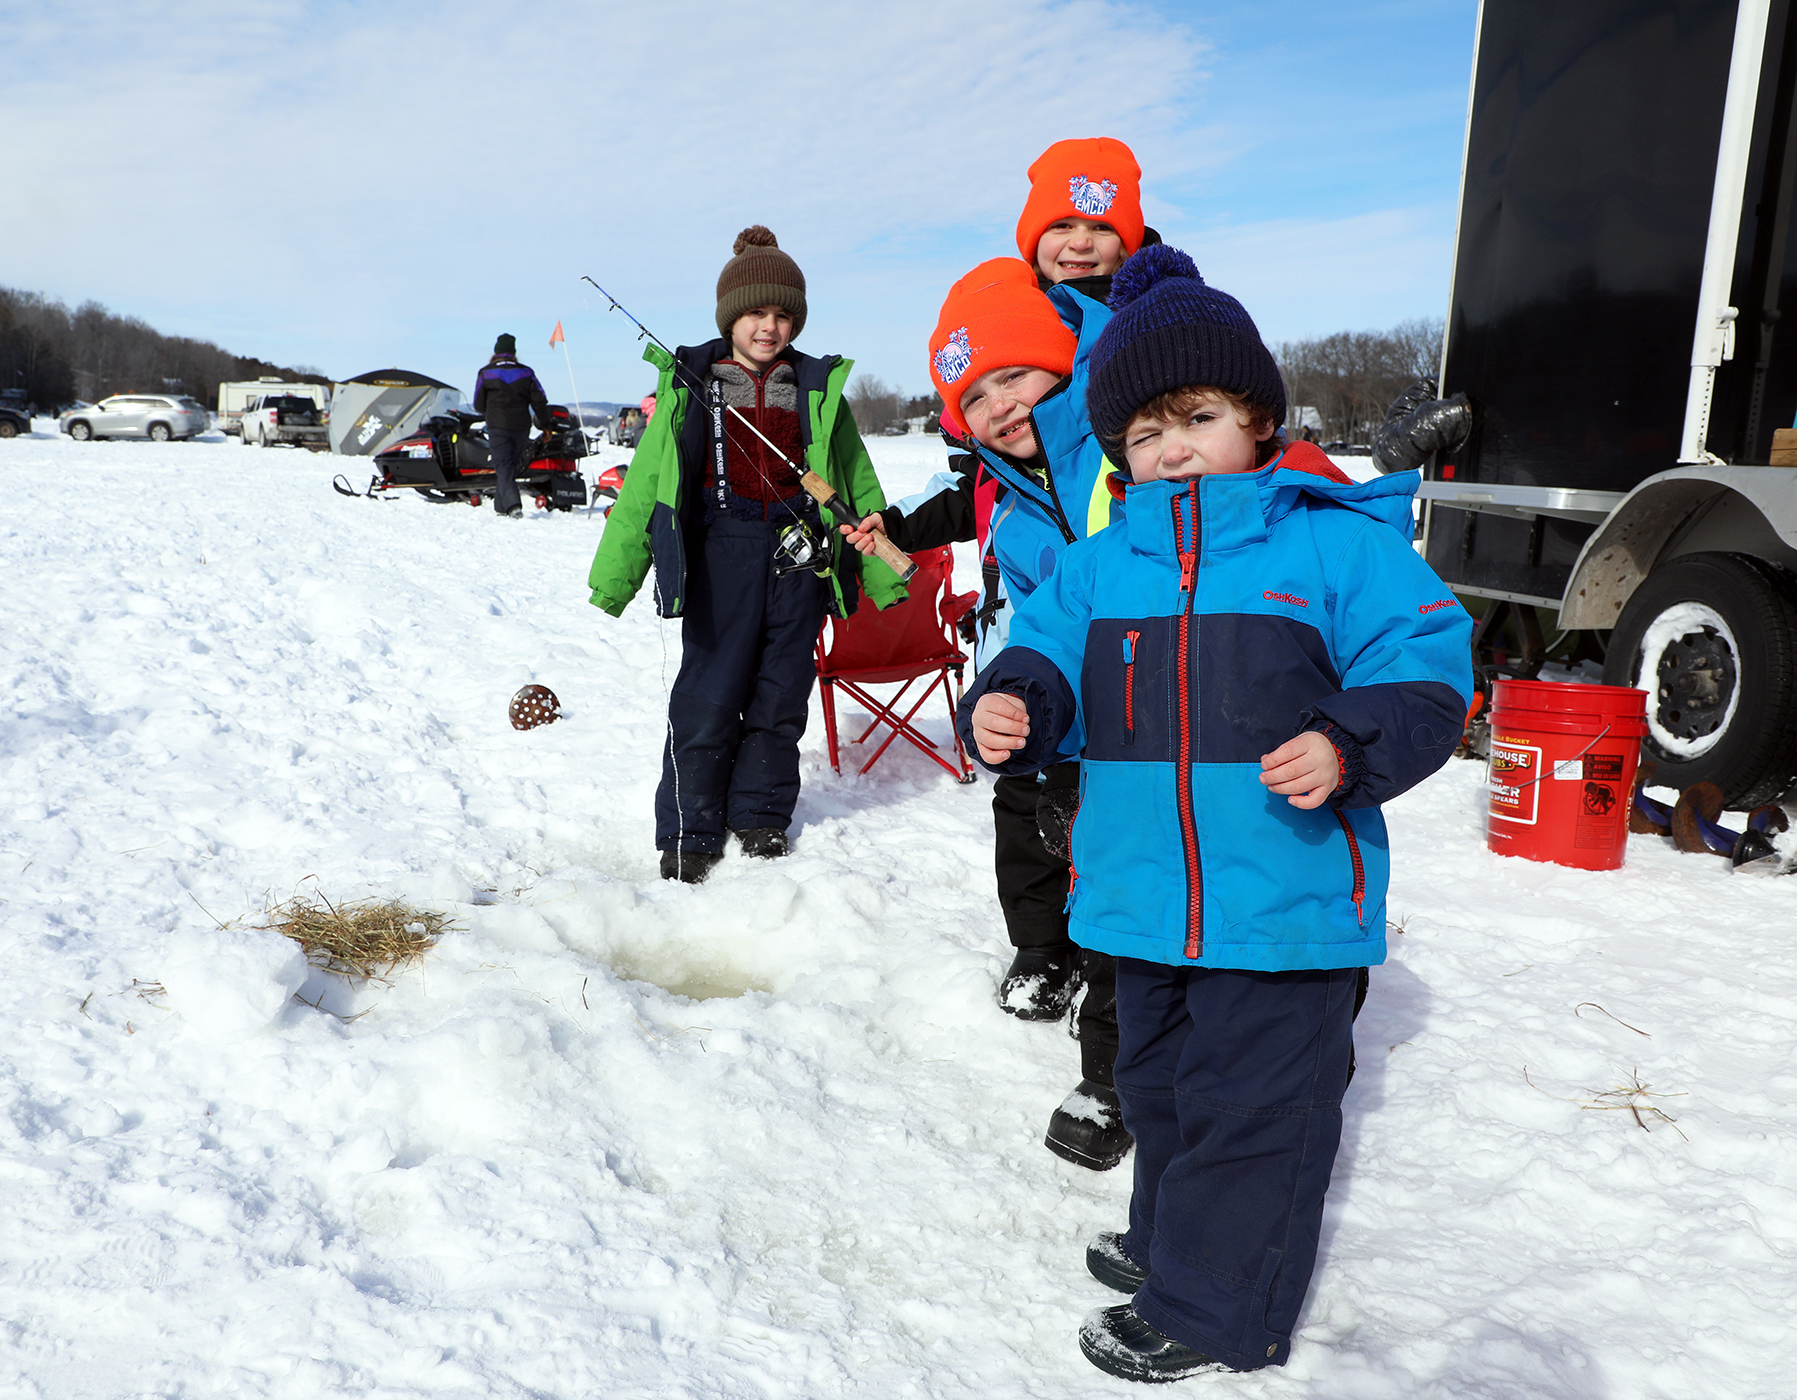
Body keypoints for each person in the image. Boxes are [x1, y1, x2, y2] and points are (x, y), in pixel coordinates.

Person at [955, 245, 1473, 1382]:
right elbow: (1040, 655)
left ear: (1258, 417)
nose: (1171, 445)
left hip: (1283, 906)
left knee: (1256, 1111)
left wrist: (1348, 741)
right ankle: (1168, 1243)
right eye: (1142, 434)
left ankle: (1215, 1308)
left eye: (1196, 414)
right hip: (1141, 903)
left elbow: (1429, 666)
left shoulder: (1332, 543)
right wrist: (1013, 703)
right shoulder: (1097, 567)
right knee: (1160, 1087)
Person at [839, 138, 1149, 1173]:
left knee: (1125, 862)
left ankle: (1113, 1071)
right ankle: (1041, 951)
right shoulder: (1001, 473)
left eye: (1020, 376)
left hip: (1156, 689)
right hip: (1049, 671)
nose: (1005, 401)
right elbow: (980, 500)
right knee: (1031, 818)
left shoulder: (1133, 399)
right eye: (979, 394)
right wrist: (894, 530)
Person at [589, 225, 907, 882]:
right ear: (731, 316)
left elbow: (856, 480)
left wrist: (881, 565)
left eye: (783, 314)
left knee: (781, 695)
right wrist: (616, 577)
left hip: (801, 557)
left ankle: (761, 817)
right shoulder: (694, 384)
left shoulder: (814, 387)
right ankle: (690, 828)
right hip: (722, 552)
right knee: (709, 693)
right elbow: (648, 484)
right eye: (757, 313)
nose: (770, 326)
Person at [473, 333, 550, 517]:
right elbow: (540, 400)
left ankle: (513, 505)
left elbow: (478, 404)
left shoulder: (486, 372)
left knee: (504, 466)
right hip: (521, 427)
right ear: (514, 352)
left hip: (497, 426)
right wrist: (546, 425)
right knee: (509, 466)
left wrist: (490, 412)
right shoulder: (526, 372)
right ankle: (501, 508)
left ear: (496, 351)